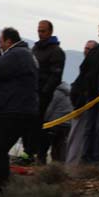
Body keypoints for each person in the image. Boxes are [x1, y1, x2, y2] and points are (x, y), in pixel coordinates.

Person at [0, 27, 38, 194]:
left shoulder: (17, 53)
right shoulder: (24, 54)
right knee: (0, 150)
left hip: (12, 111)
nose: (0, 45)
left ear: (9, 41)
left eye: (1, 42)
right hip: (19, 110)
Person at [66, 25, 99, 164]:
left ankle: (92, 161)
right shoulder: (96, 53)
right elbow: (83, 76)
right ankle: (81, 160)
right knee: (85, 132)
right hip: (86, 98)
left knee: (97, 130)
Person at [18, 20, 65, 165]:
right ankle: (26, 152)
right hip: (29, 92)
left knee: (35, 125)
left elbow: (56, 76)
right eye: (39, 30)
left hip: (42, 95)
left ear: (50, 32)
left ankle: (30, 154)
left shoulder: (56, 52)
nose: (40, 33)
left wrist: (44, 93)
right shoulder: (36, 48)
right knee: (26, 124)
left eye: (43, 31)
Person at [39, 82, 72, 163]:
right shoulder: (70, 94)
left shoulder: (57, 93)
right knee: (59, 147)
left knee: (44, 146)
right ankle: (58, 165)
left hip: (54, 123)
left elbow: (50, 109)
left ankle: (40, 164)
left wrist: (44, 121)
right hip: (67, 125)